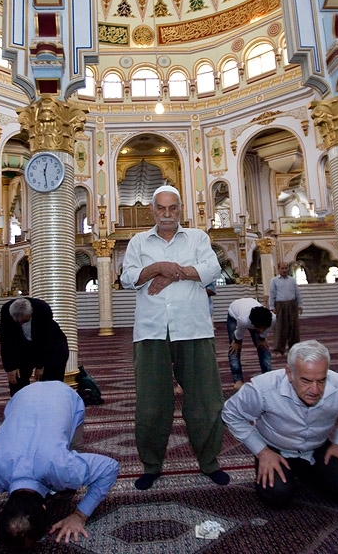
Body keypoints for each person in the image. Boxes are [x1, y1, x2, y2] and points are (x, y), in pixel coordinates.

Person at [120, 184, 229, 490]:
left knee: (205, 401)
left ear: (181, 210)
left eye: (173, 208)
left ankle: (209, 462)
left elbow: (212, 268)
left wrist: (172, 272)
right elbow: (129, 278)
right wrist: (156, 266)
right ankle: (152, 466)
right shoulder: (138, 241)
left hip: (193, 329)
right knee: (152, 404)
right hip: (151, 332)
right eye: (161, 208)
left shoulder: (197, 237)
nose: (167, 214)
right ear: (152, 211)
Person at [0, 381, 119, 548]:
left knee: (72, 467)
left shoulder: (63, 469)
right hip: (22, 396)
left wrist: (80, 515)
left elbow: (109, 468)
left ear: (46, 508)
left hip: (64, 396)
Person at [222, 340, 338, 507]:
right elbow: (231, 413)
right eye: (306, 381)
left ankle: (306, 473)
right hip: (275, 448)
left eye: (321, 380)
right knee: (277, 496)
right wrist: (262, 452)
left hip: (318, 447)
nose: (315, 390)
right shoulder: (263, 388)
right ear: (289, 373)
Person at [0, 297, 70, 396]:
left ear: (31, 312)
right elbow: (6, 341)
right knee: (16, 376)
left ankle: (51, 401)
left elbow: (45, 340)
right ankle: (20, 402)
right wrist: (10, 368)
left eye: (22, 320)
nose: (19, 322)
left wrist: (40, 366)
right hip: (23, 344)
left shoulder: (43, 309)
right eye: (16, 320)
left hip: (51, 344)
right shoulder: (6, 310)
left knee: (50, 376)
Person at [226, 297, 274, 390]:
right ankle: (237, 379)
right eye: (259, 328)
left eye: (263, 328)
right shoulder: (244, 320)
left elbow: (264, 330)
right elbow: (239, 334)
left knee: (263, 347)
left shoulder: (272, 319)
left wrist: (262, 338)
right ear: (253, 324)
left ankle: (268, 375)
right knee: (234, 348)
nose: (260, 330)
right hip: (234, 314)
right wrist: (237, 341)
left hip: (254, 315)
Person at [269, 261, 302, 356]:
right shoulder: (274, 281)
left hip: (292, 305)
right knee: (280, 328)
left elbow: (297, 293)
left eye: (285, 268)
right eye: (282, 268)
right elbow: (272, 295)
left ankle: (294, 349)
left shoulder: (292, 280)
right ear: (278, 269)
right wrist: (272, 307)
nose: (284, 270)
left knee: (293, 328)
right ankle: (279, 350)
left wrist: (300, 305)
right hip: (280, 306)